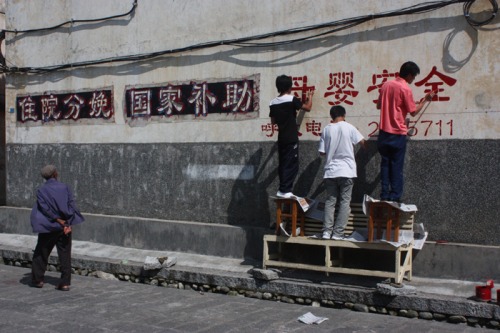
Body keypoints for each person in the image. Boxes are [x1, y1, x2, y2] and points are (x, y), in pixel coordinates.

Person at [377, 61, 434, 202]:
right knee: (396, 166)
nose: (413, 80)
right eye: (413, 77)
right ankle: (395, 196)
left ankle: (384, 195)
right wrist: (425, 100)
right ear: (409, 75)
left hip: (383, 132)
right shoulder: (405, 88)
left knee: (385, 165)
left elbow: (379, 105)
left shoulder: (385, 85)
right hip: (397, 133)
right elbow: (413, 111)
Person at [30, 165, 84, 291]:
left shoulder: (41, 190)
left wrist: (58, 220)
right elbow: (72, 206)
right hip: (64, 227)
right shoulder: (65, 187)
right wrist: (67, 223)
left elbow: (45, 209)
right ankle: (65, 283)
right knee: (65, 254)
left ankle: (38, 280)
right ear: (55, 174)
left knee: (41, 252)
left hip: (48, 226)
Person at [317, 105, 365, 240]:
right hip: (347, 170)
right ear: (344, 115)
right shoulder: (350, 127)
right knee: (345, 202)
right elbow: (363, 144)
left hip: (331, 171)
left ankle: (326, 232)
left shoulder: (326, 129)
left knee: (330, 201)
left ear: (332, 116)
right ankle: (338, 233)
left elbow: (322, 152)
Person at [269, 75, 314, 198]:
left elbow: (273, 122)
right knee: (292, 164)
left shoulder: (272, 102)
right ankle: (285, 190)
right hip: (291, 137)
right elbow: (308, 108)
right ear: (289, 87)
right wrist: (310, 97)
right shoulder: (291, 99)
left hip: (282, 137)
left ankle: (282, 189)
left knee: (283, 163)